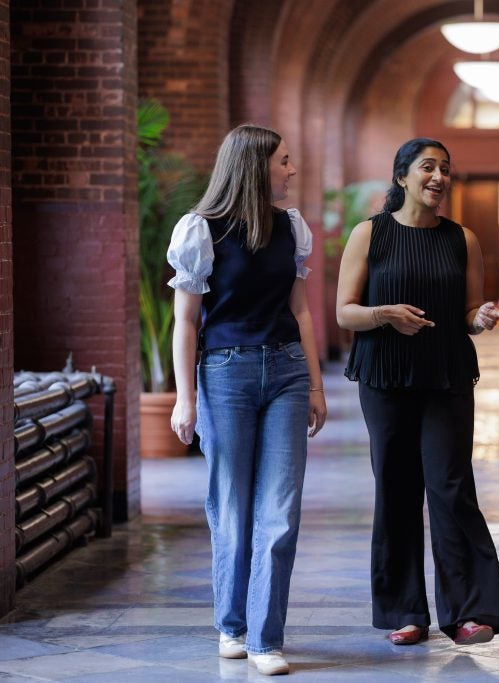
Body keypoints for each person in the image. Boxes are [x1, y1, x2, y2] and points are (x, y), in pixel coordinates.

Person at [336, 138, 499, 647]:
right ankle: (404, 610)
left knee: (451, 486)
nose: (439, 177)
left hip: (447, 374)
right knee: (396, 487)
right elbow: (344, 311)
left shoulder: (464, 240)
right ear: (402, 177)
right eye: (428, 167)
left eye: (446, 169)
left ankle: (468, 612)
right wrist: (383, 314)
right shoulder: (370, 234)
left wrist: (479, 318)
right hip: (385, 375)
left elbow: (468, 312)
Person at [168, 124, 327, 676]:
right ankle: (231, 625)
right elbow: (185, 323)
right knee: (231, 508)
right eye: (283, 160)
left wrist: (315, 384)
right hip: (225, 376)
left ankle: (265, 638)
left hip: (285, 370)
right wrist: (186, 399)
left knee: (280, 511)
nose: (291, 169)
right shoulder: (201, 230)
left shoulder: (293, 228)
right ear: (255, 166)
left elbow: (302, 311)